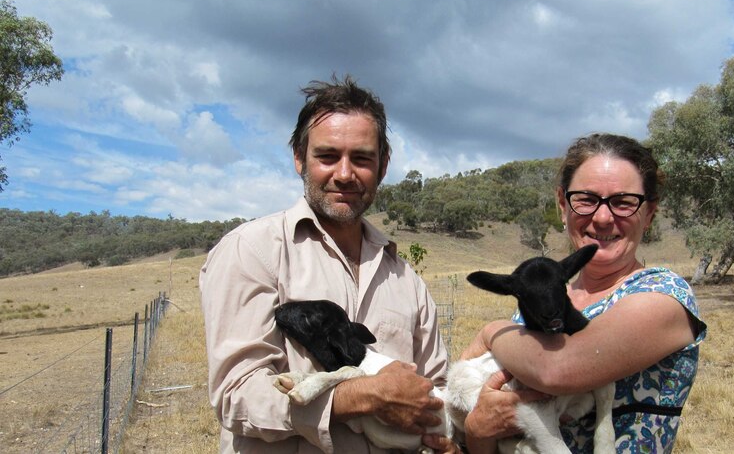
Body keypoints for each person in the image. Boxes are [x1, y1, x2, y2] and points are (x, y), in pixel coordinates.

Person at [200, 75, 458, 454]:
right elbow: (237, 394)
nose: (344, 173)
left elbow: (433, 391)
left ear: (383, 165)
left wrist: (443, 442)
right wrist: (360, 397)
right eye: (327, 156)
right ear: (298, 157)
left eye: (362, 158)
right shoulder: (251, 251)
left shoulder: (407, 280)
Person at [461, 133, 707, 453]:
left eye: (623, 202)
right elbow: (495, 429)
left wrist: (490, 332)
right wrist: (478, 429)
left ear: (649, 214)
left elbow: (558, 369)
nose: (603, 218)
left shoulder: (665, 296)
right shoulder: (536, 305)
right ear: (563, 206)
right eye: (586, 199)